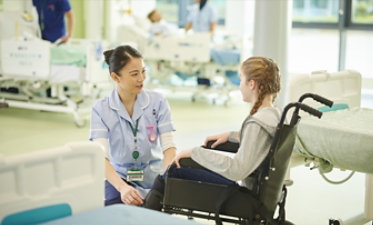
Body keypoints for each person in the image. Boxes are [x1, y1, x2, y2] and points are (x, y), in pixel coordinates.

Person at [144, 56, 281, 210]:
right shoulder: (273, 115)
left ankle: (145, 216)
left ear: (252, 84)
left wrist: (195, 153)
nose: (239, 86)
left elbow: (236, 170)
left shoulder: (257, 123)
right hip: (256, 192)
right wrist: (232, 136)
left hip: (242, 196)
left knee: (174, 171)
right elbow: (257, 144)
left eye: (241, 80)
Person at [90, 45, 177, 206]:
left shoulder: (158, 102)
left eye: (143, 71)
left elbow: (169, 147)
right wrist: (123, 188)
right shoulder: (101, 109)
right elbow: (100, 156)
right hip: (120, 177)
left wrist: (164, 182)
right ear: (116, 77)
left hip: (154, 175)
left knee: (154, 210)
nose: (141, 78)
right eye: (134, 74)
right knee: (115, 209)